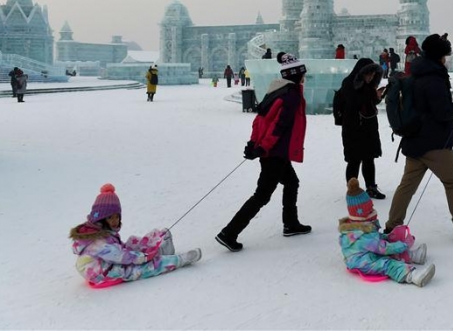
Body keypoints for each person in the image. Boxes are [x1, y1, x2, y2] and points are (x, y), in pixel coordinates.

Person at [385, 34, 453, 242]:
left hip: (415, 139)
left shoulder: (418, 74)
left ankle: (392, 227)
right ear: (439, 56)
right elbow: (442, 113)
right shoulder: (434, 79)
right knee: (452, 181)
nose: (446, 59)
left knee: (407, 186)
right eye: (445, 55)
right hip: (435, 142)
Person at [216, 52, 311, 252]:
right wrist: (262, 147)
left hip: (276, 152)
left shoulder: (276, 91)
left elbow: (260, 120)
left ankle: (291, 223)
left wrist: (253, 143)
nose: (305, 77)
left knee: (292, 183)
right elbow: (279, 125)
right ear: (295, 75)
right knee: (262, 195)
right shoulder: (291, 95)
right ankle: (229, 232)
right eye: (303, 74)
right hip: (274, 152)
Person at [69, 184, 201, 288]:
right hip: (103, 273)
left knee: (132, 244)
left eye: (117, 217)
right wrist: (143, 258)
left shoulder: (101, 231)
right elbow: (120, 256)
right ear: (101, 218)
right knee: (142, 269)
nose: (115, 221)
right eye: (110, 217)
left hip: (105, 262)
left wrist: (140, 255)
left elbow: (119, 251)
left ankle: (160, 249)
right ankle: (180, 260)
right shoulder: (97, 242)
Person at [339, 178, 435, 287]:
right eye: (370, 210)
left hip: (367, 253)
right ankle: (413, 276)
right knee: (388, 263)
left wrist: (387, 236)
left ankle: (414, 256)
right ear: (362, 214)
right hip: (362, 263)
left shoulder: (360, 229)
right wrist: (404, 245)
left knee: (390, 249)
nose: (373, 211)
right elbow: (384, 248)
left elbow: (375, 239)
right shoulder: (363, 237)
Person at [338, 58, 386, 199]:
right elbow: (355, 103)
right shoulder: (349, 83)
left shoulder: (369, 86)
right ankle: (352, 189)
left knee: (369, 158)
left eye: (372, 74)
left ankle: (371, 187)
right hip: (353, 128)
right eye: (368, 74)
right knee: (354, 160)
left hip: (368, 127)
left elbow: (370, 103)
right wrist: (371, 94)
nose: (370, 77)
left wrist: (377, 96)